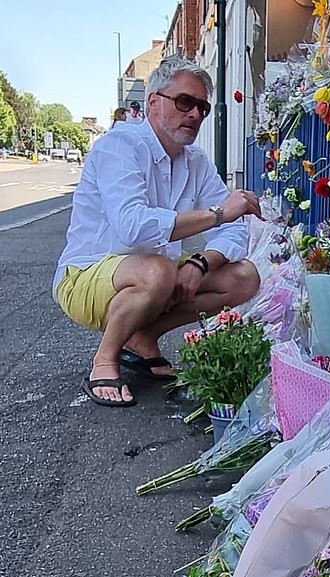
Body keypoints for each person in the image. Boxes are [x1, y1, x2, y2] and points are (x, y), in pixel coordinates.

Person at [53, 58, 262, 407]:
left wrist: (201, 262)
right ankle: (105, 359)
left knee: (244, 277)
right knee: (158, 269)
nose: (194, 114)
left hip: (152, 277)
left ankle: (143, 339)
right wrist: (217, 214)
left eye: (202, 106)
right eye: (184, 102)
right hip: (85, 276)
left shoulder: (195, 160)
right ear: (153, 102)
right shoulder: (120, 146)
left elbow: (235, 231)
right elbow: (133, 228)